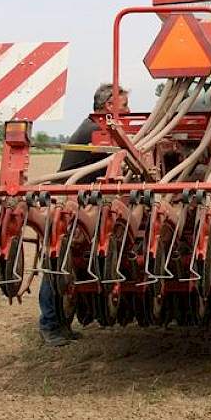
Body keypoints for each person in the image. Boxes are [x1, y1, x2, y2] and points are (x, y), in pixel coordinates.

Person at [38, 84, 129, 347]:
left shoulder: (95, 128)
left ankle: (60, 324)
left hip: (81, 203)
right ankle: (50, 324)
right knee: (58, 261)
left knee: (64, 261)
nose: (129, 111)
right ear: (108, 106)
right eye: (124, 106)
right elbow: (130, 155)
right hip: (69, 206)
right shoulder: (96, 132)